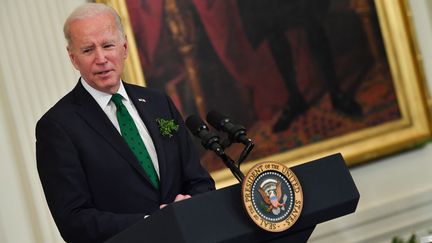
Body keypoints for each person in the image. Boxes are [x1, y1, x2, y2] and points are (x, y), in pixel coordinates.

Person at [35, 3, 215, 243]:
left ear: (124, 48)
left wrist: (191, 206)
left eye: (108, 45)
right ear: (73, 58)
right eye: (88, 50)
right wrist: (152, 222)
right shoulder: (57, 127)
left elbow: (199, 180)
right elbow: (73, 221)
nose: (101, 58)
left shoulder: (159, 103)